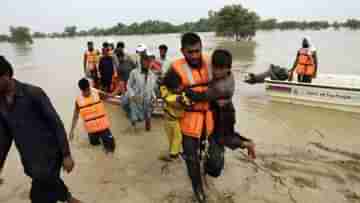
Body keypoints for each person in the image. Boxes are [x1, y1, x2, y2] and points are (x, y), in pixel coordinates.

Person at [0, 56, 81, 203]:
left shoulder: (33, 93)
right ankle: (70, 199)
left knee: (38, 195)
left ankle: (69, 199)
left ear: (5, 75)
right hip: (29, 159)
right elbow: (5, 138)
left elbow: (56, 123)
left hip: (49, 155)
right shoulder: (1, 104)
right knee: (48, 185)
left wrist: (66, 155)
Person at [165, 32, 213, 203]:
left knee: (214, 162)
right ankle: (198, 191)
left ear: (202, 48)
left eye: (197, 51)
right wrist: (177, 100)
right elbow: (165, 92)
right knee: (191, 159)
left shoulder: (210, 62)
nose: (194, 55)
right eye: (190, 52)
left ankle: (207, 168)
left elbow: (224, 82)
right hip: (189, 119)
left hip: (210, 116)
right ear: (182, 51)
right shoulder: (175, 68)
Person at [208, 49, 256, 158]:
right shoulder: (228, 75)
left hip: (224, 112)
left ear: (228, 68)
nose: (216, 72)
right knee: (228, 134)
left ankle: (247, 144)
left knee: (223, 138)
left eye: (221, 69)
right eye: (214, 68)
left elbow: (207, 94)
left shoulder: (223, 87)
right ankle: (246, 142)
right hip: (225, 109)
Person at [69, 78, 115, 153]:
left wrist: (117, 92)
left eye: (88, 90)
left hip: (103, 127)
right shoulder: (78, 100)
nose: (87, 92)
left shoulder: (97, 92)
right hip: (92, 131)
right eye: (85, 91)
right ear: (81, 90)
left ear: (89, 87)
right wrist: (72, 131)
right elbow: (75, 116)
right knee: (95, 147)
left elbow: (109, 96)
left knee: (111, 147)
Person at [158, 72, 191, 162]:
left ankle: (173, 153)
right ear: (171, 88)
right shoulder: (168, 92)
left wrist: (183, 100)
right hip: (170, 119)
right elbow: (167, 98)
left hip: (174, 120)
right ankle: (173, 155)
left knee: (176, 137)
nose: (180, 88)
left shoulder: (180, 93)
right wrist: (179, 99)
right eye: (178, 87)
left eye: (180, 85)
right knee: (175, 137)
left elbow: (187, 102)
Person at [125, 53, 157, 131]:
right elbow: (129, 85)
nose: (147, 64)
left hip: (147, 98)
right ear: (141, 62)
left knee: (148, 115)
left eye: (148, 62)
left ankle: (147, 123)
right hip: (136, 97)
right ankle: (134, 126)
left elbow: (151, 88)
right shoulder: (134, 72)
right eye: (145, 62)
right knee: (134, 115)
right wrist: (132, 96)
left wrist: (154, 97)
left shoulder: (152, 75)